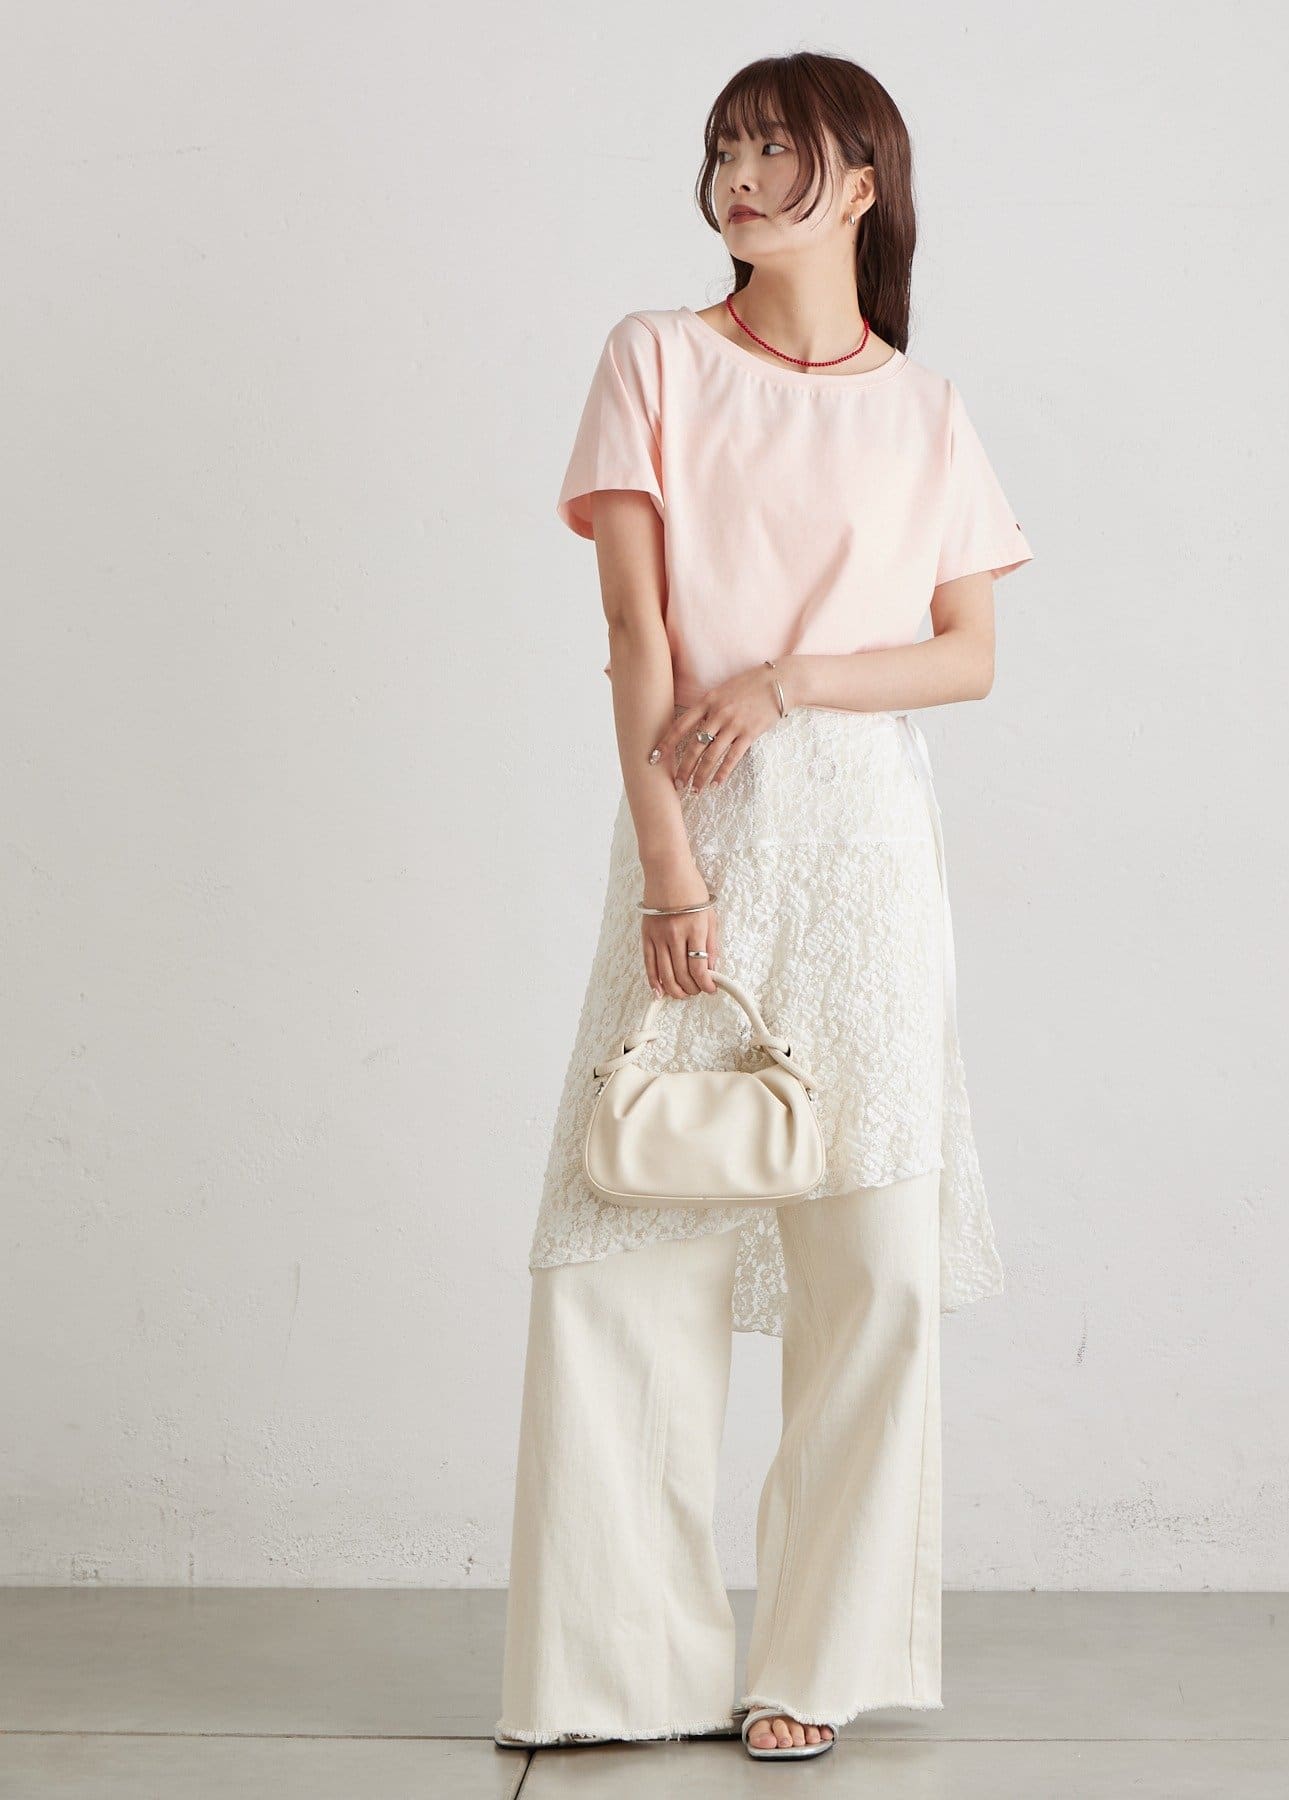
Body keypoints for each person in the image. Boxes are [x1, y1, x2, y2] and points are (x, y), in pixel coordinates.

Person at [496, 50, 1034, 1764]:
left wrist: (796, 679)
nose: (737, 176)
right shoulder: (655, 357)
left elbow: (969, 654)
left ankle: (820, 1656)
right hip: (699, 826)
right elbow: (637, 635)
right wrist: (671, 862)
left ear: (860, 183)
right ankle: (617, 1671)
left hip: (867, 844)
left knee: (868, 1266)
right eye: (725, 147)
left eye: (776, 151)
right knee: (625, 1237)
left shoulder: (926, 409)